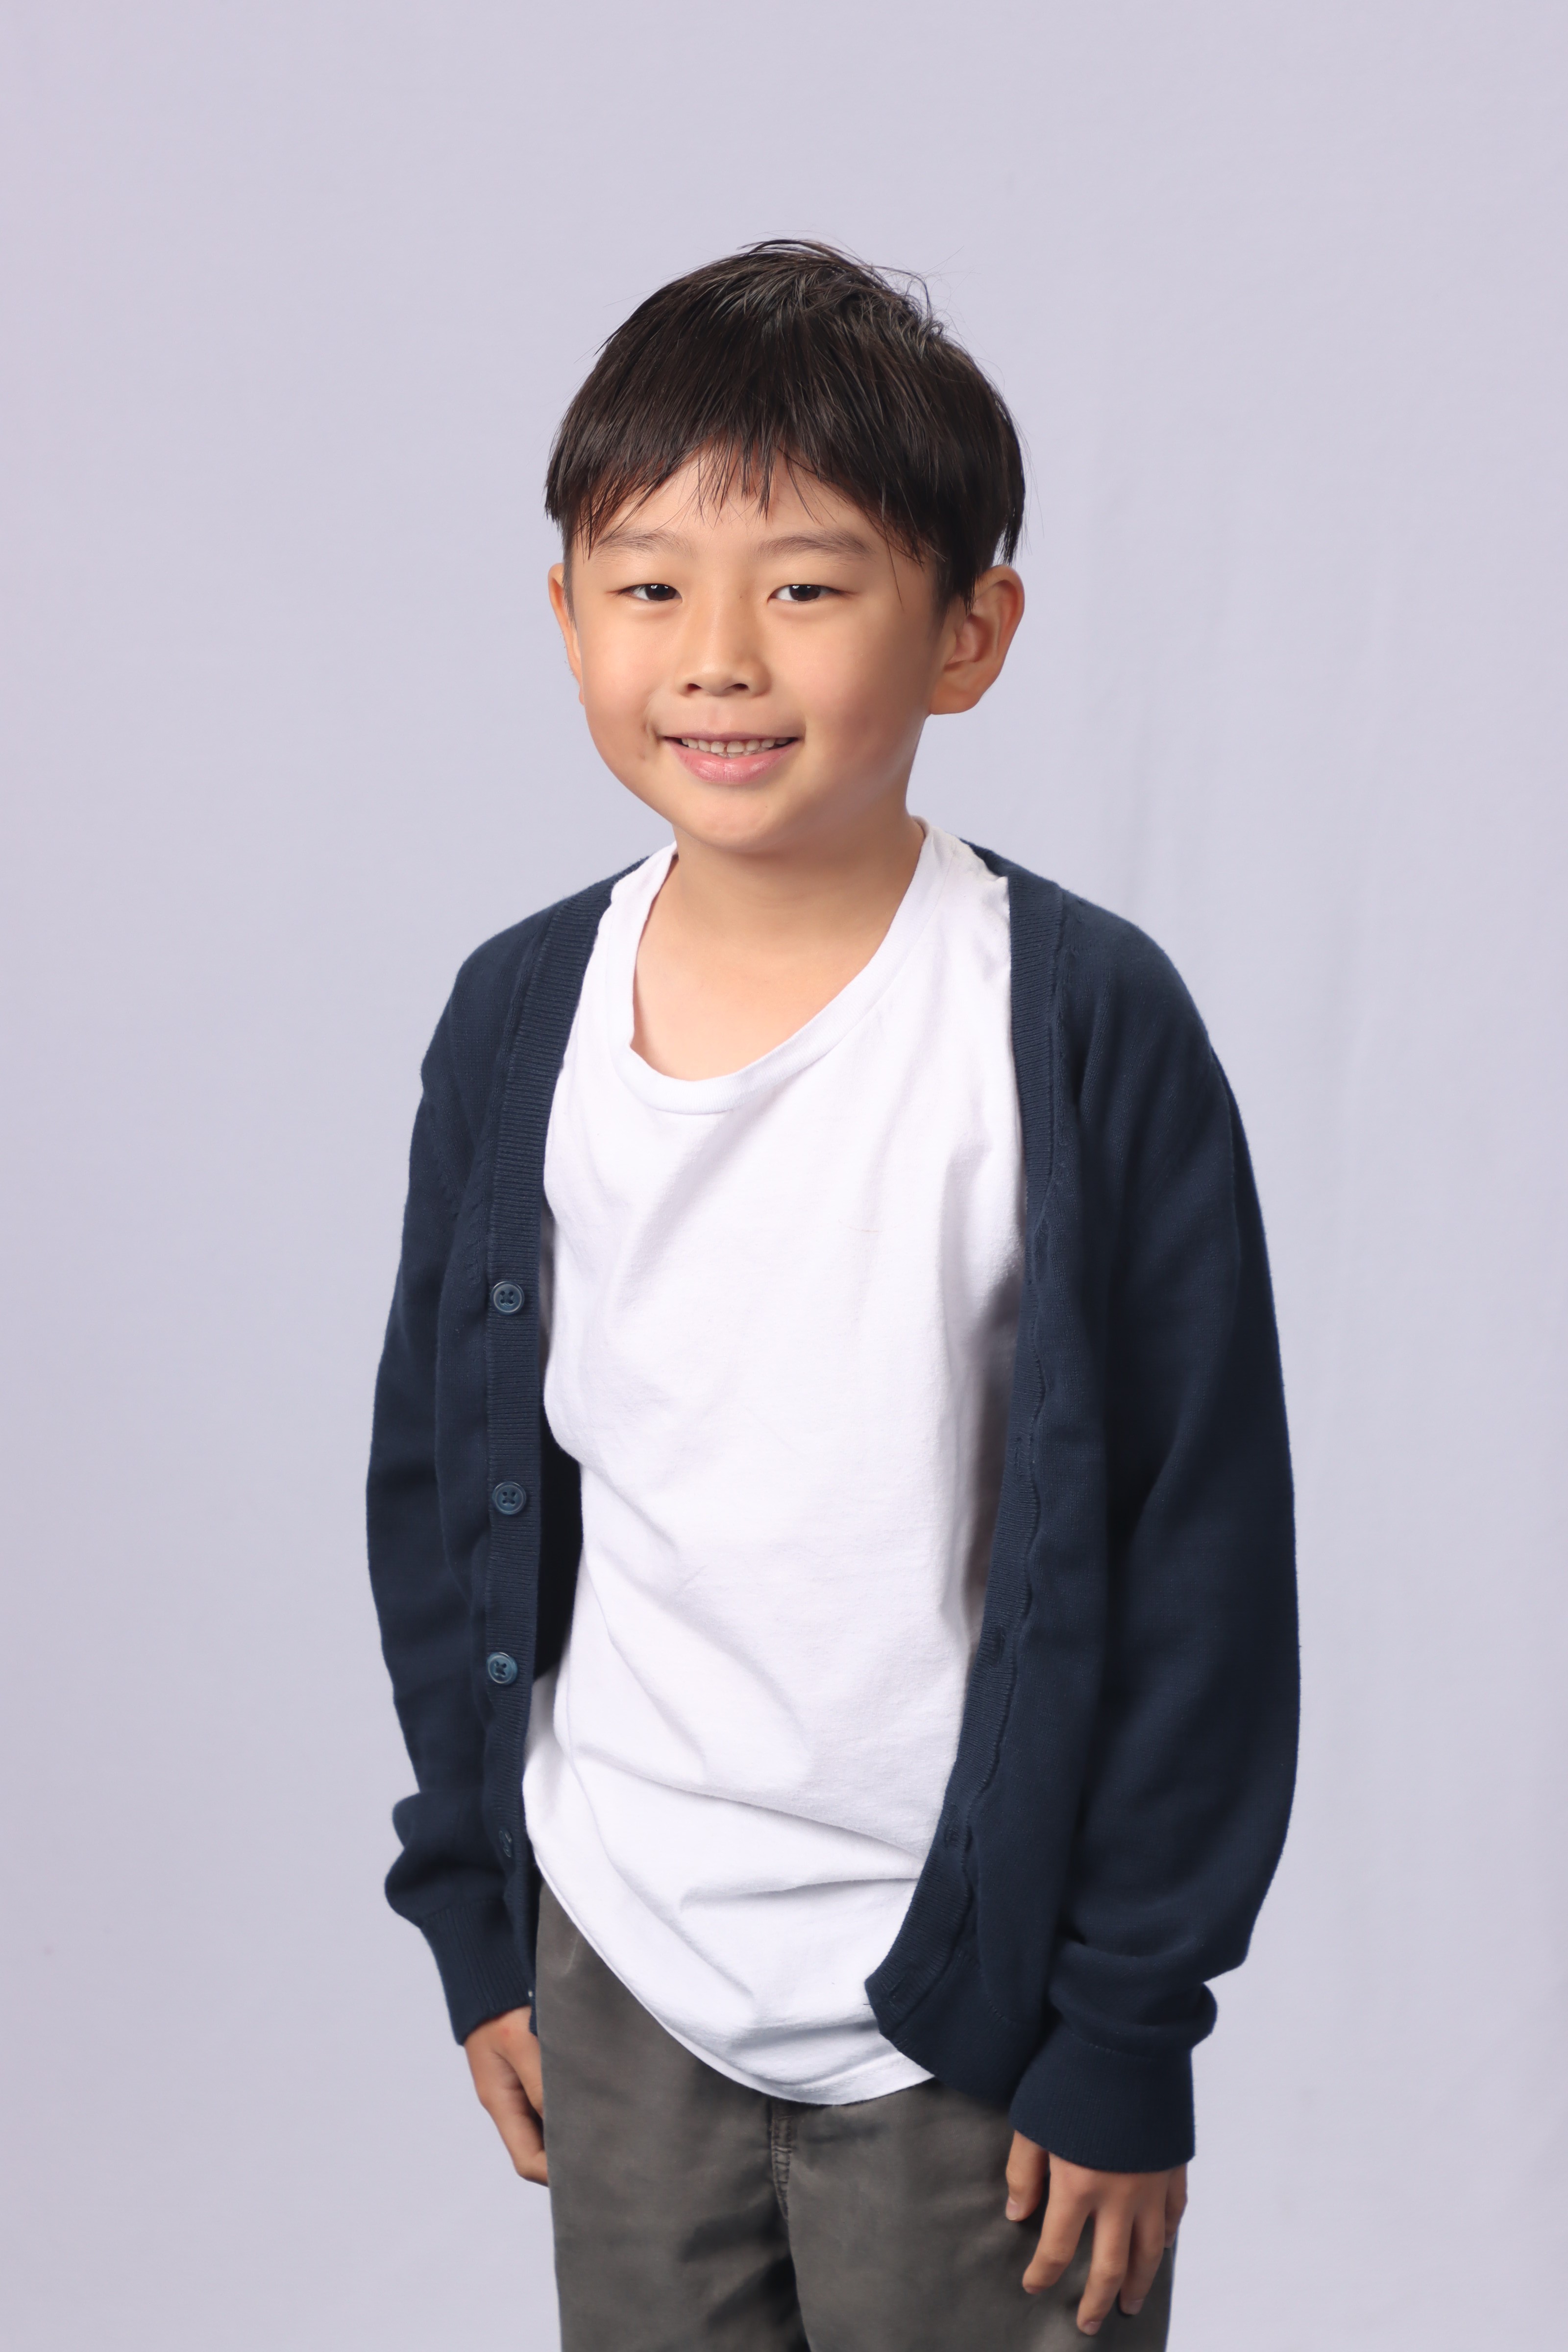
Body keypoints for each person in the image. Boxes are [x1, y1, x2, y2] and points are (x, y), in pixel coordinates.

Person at [367, 241, 1298, 2350]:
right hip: (620, 1958)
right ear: (565, 615)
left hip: (980, 2000)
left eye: (803, 586)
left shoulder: (1076, 1023)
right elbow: (441, 1485)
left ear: (968, 633)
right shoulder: (520, 1016)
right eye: (646, 584)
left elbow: (1199, 1551)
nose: (716, 656)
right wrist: (479, 1916)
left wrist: (1127, 2021)